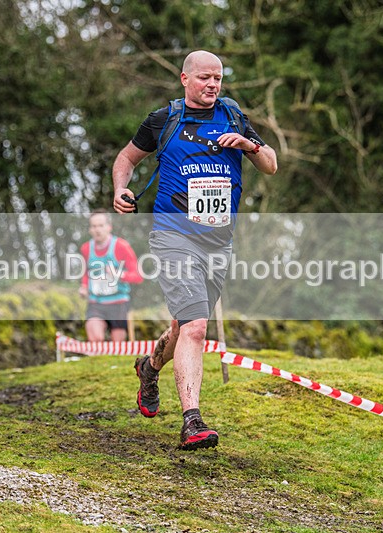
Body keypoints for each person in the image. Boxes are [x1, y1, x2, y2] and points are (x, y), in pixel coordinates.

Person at [112, 50, 277, 450]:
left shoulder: (234, 116)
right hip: (173, 237)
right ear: (185, 79)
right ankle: (192, 421)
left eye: (218, 78)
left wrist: (250, 147)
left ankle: (149, 368)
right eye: (205, 78)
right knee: (197, 326)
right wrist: (121, 188)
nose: (213, 85)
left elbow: (271, 164)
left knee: (183, 326)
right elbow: (126, 158)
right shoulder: (163, 119)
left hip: (218, 241)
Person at [78, 209, 143, 342]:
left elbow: (138, 276)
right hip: (96, 302)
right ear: (90, 229)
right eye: (94, 226)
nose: (97, 230)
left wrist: (118, 274)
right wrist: (84, 286)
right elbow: (86, 272)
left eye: (101, 226)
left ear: (109, 227)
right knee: (95, 338)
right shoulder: (86, 248)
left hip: (118, 302)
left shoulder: (121, 246)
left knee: (117, 345)